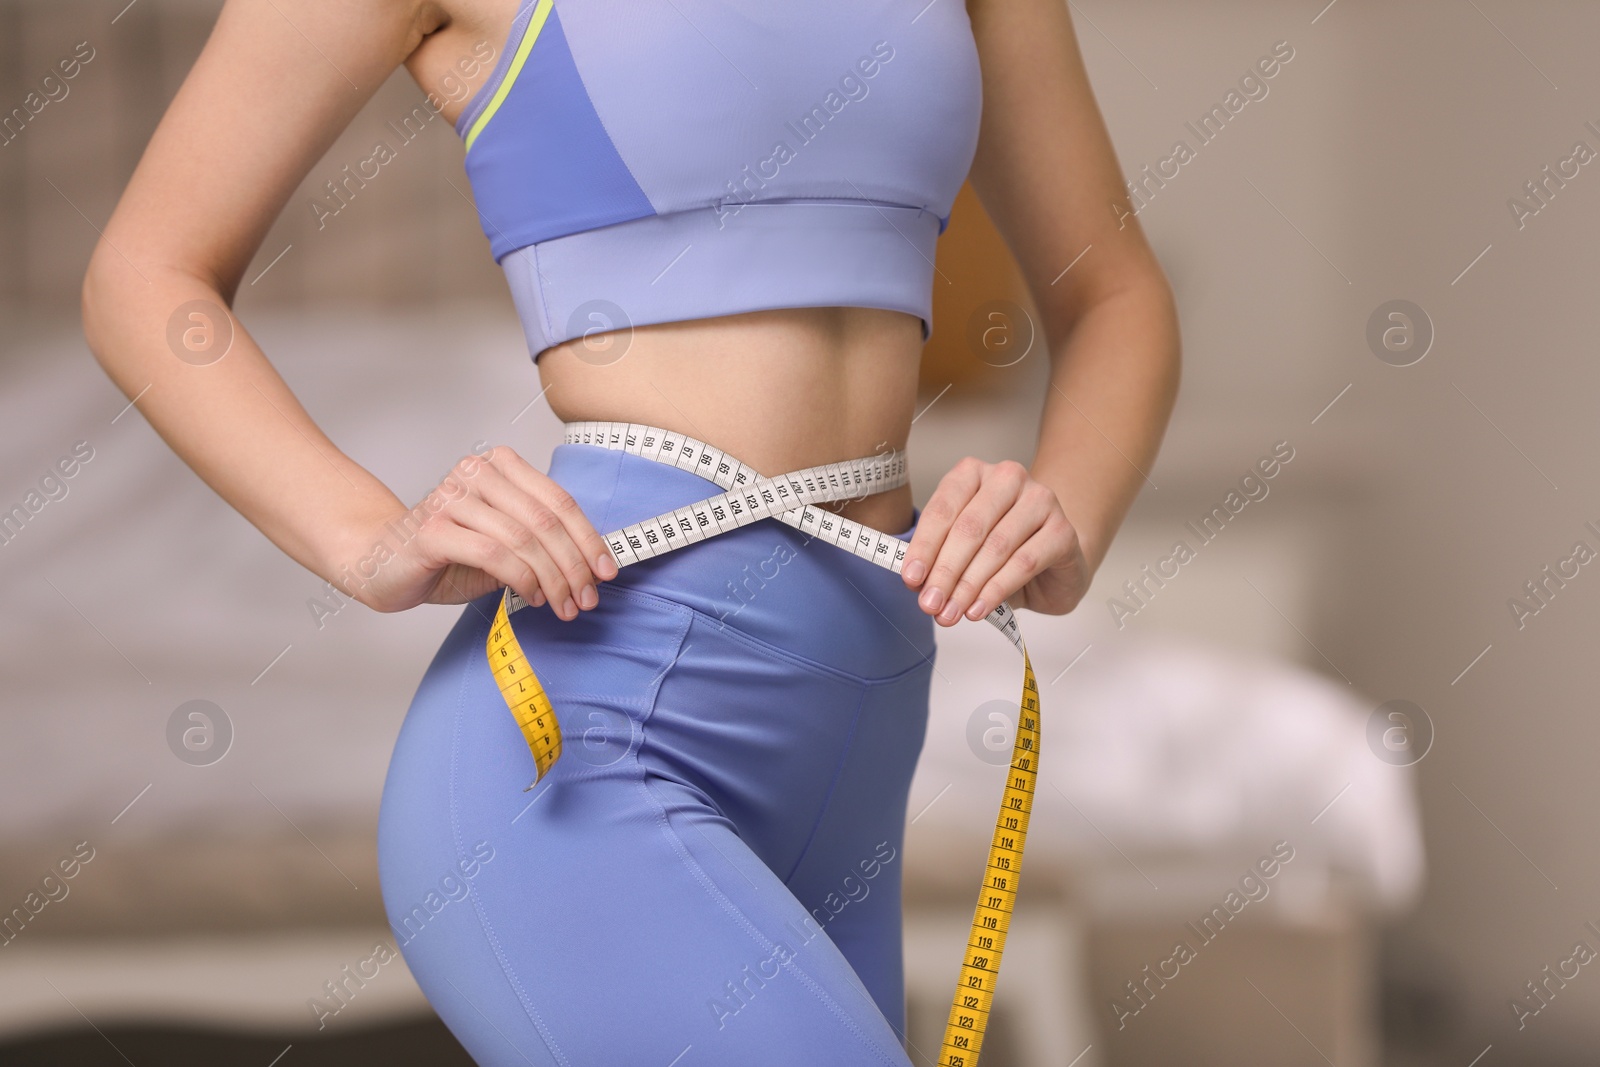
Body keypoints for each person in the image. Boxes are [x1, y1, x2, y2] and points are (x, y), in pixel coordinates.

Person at [81, 0, 1179, 1062]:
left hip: (861, 723)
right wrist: (367, 538)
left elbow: (1113, 297)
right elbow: (147, 275)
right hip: (590, 739)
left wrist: (1066, 511)